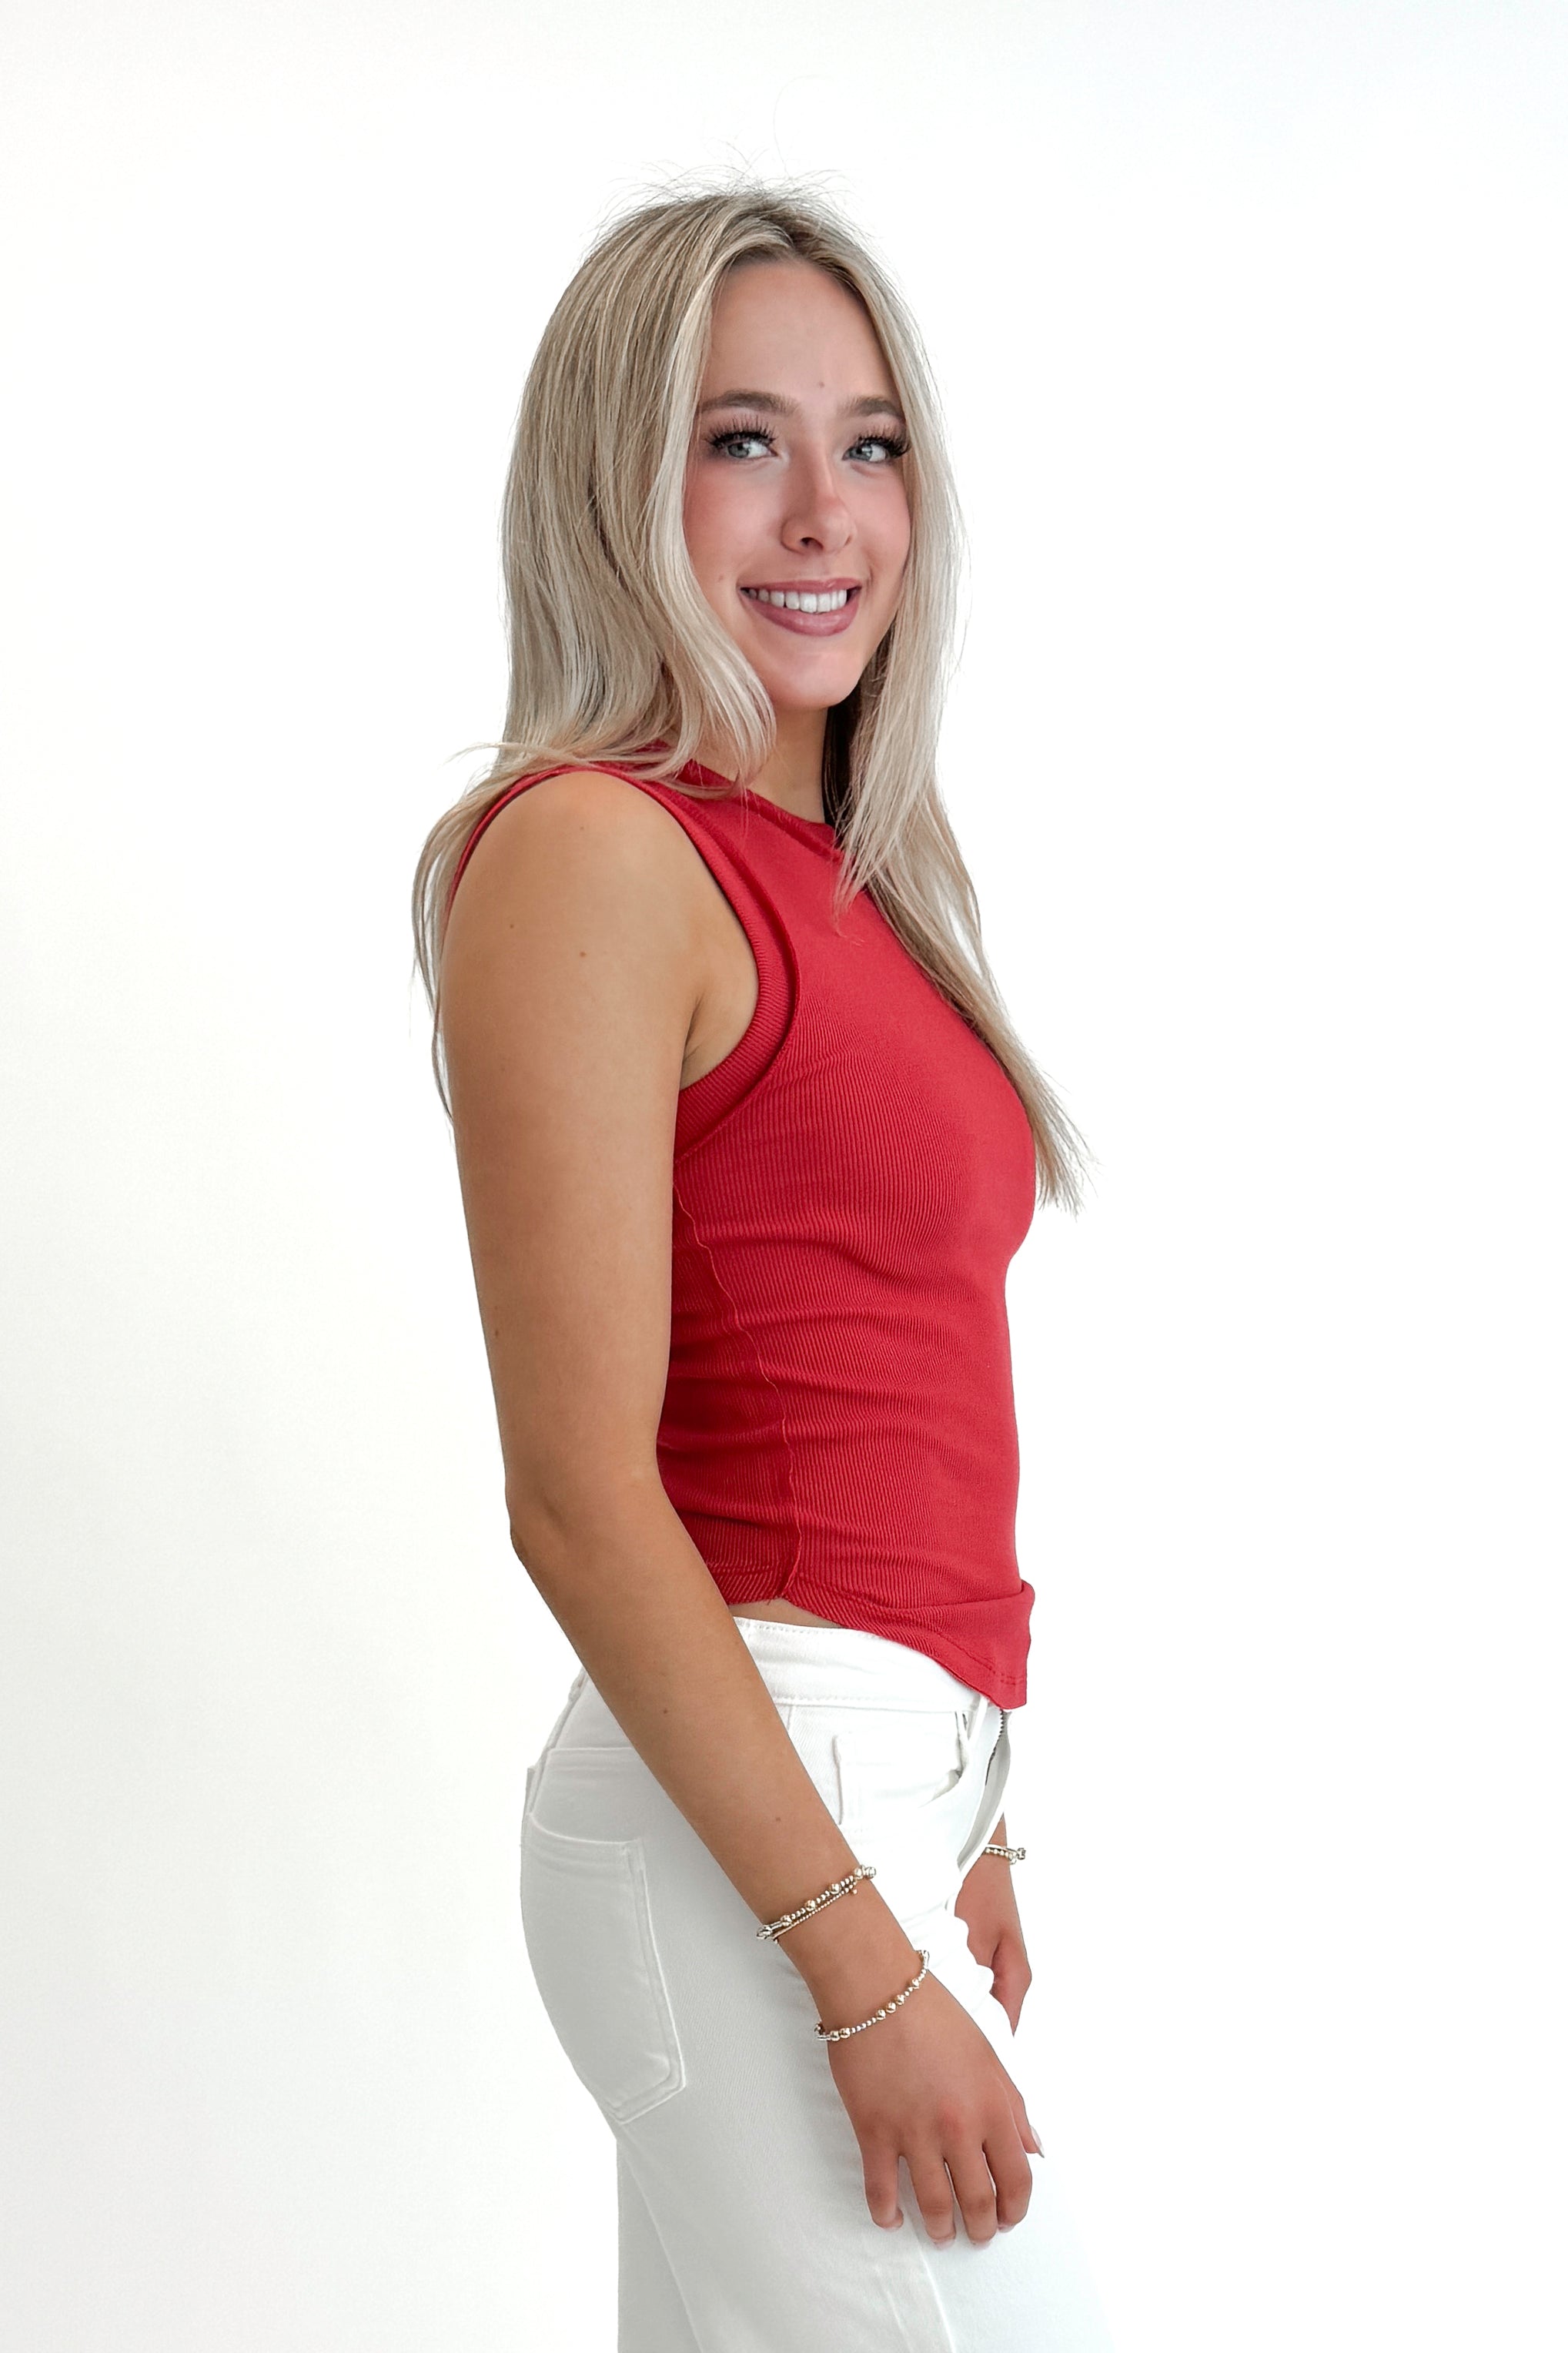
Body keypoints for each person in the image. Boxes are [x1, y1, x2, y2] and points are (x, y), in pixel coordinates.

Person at [412, 178, 1117, 2351]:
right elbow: (578, 1494)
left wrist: (975, 1809)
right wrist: (855, 1954)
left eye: (871, 443)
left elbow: (884, 1382)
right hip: (756, 1822)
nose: (824, 513)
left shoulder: (855, 881)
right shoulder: (591, 857)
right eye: (741, 440)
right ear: (619, 481)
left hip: (863, 1785)